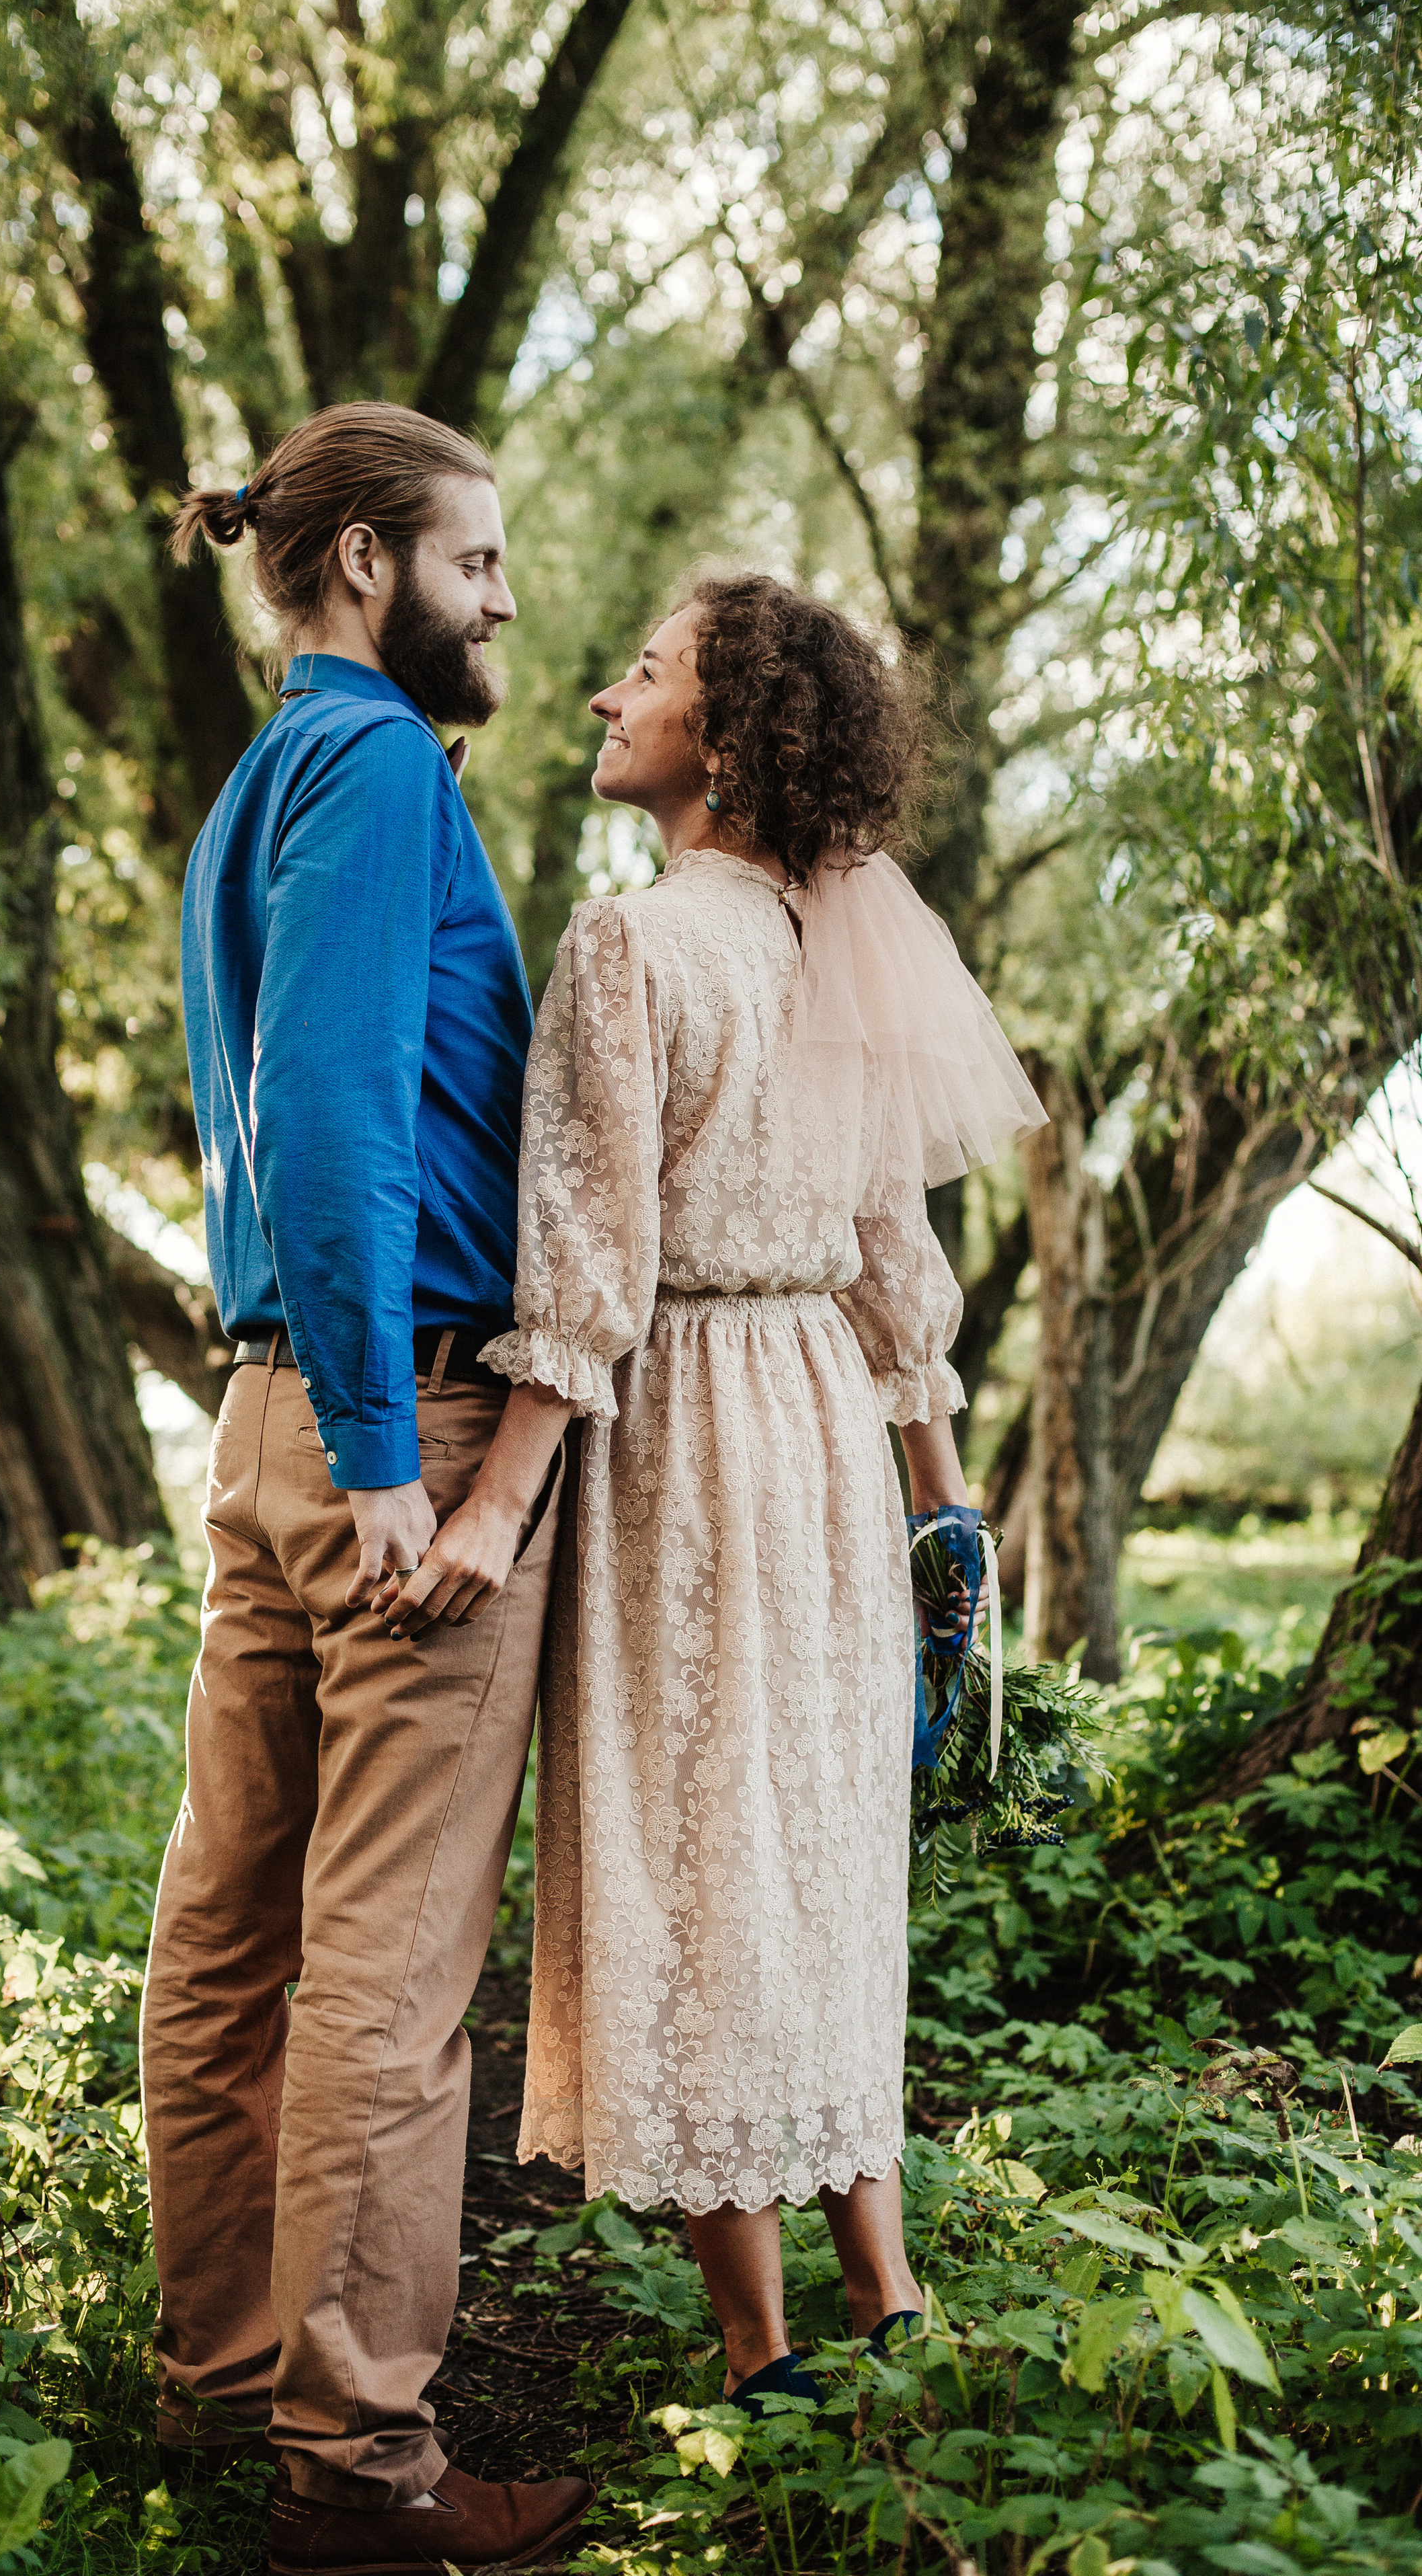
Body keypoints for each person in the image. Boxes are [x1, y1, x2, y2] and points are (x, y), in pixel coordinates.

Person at [388, 571, 1045, 2407]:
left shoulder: (631, 945)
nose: (604, 695)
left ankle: (765, 2356)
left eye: (645, 674)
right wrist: (946, 1509)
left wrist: (497, 1504)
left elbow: (585, 1272)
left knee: (697, 1863)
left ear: (726, 742)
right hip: (829, 1433)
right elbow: (892, 1260)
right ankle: (887, 2294)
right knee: (822, 1855)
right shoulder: (839, 936)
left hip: (679, 1430)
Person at [143, 401, 588, 2571]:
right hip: (378, 1421)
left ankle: (229, 2382)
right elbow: (325, 1116)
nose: (508, 603)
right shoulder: (384, 770)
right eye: (477, 562)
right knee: (387, 1985)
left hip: (263, 1428)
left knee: (228, 1937)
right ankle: (361, 2478)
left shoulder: (258, 788)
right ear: (358, 571)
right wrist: (405, 1456)